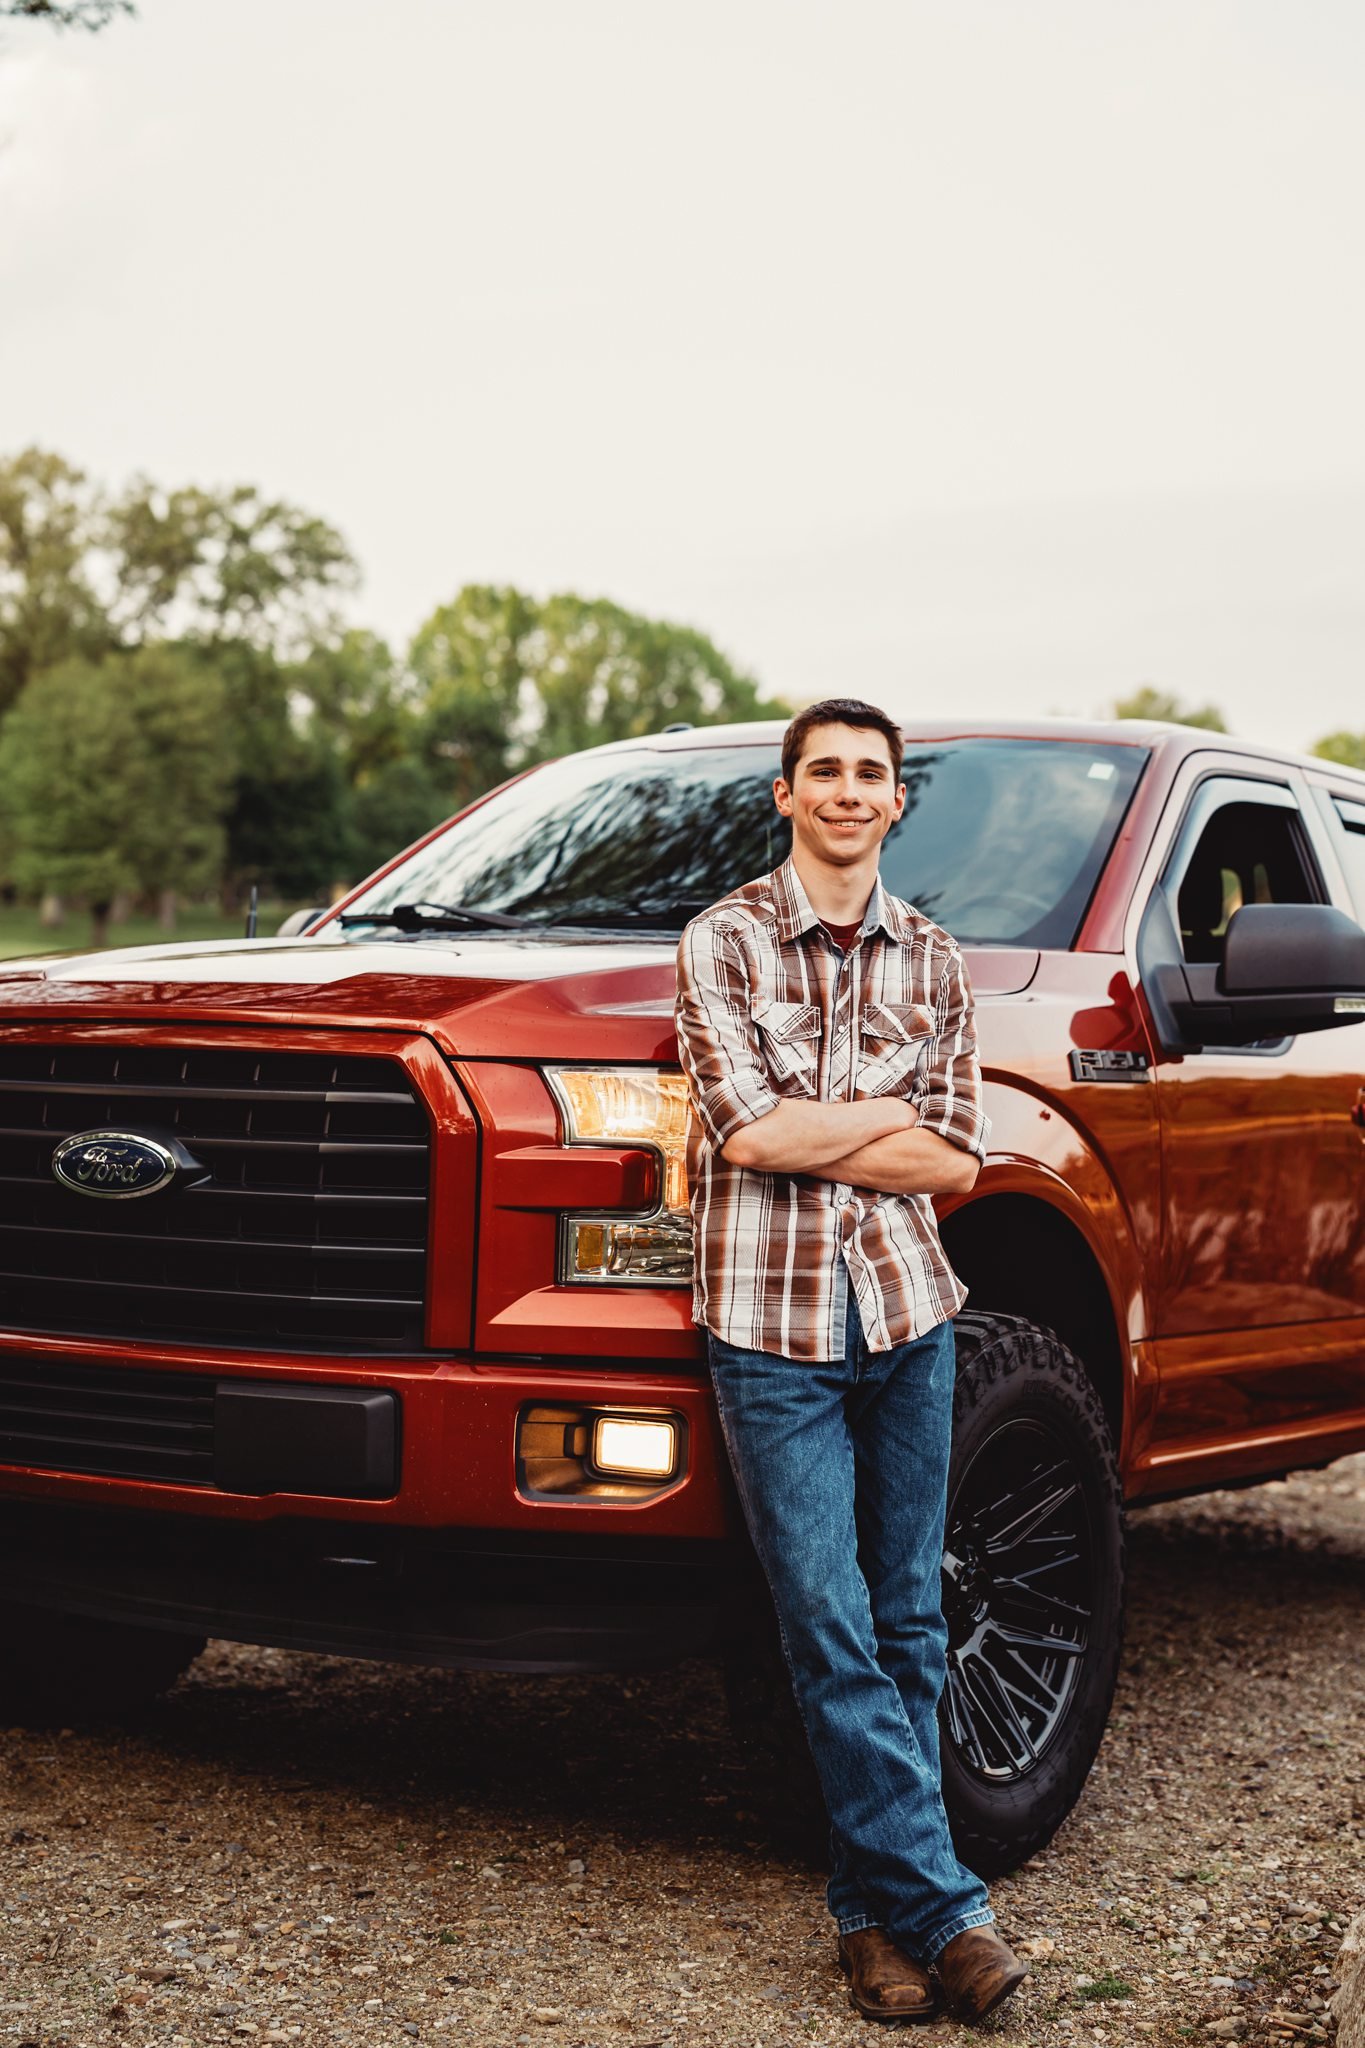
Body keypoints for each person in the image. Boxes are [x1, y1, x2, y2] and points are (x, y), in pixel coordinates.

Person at [674, 697, 1027, 2026]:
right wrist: (868, 1120)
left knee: (909, 1621)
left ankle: (871, 1919)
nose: (844, 790)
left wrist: (818, 1127)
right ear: (782, 795)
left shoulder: (935, 959)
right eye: (820, 770)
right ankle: (947, 1909)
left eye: (867, 774)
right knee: (825, 1626)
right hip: (768, 1333)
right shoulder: (720, 941)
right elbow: (740, 1135)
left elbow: (953, 1158)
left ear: (895, 802)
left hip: (907, 1320)